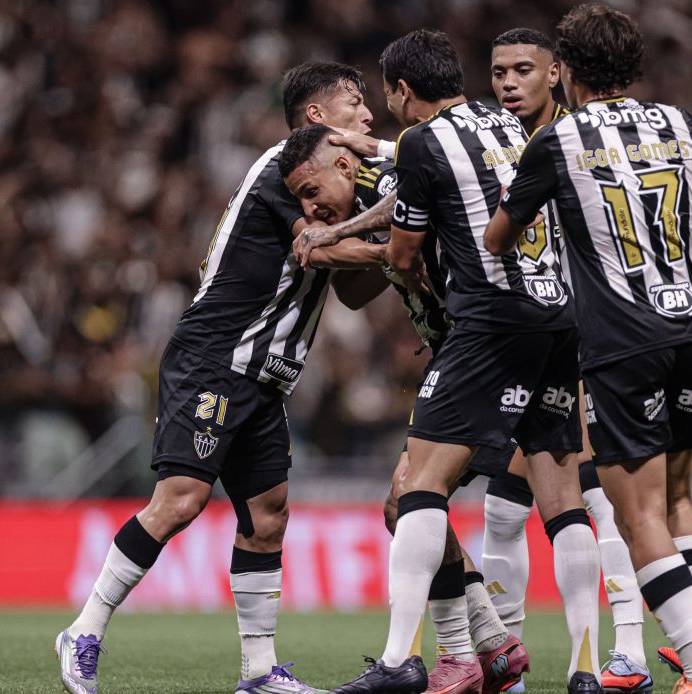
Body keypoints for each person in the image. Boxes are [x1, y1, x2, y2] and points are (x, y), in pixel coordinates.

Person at [54, 62, 389, 694]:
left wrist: (395, 258)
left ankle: (259, 674)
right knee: (181, 500)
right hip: (216, 355)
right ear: (316, 117)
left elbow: (354, 292)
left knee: (268, 516)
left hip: (264, 375)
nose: (367, 115)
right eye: (353, 102)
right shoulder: (281, 170)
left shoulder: (351, 180)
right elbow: (319, 245)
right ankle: (84, 628)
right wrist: (404, 245)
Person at [484, 5, 692, 694]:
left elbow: (497, 237)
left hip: (621, 341)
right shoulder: (678, 123)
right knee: (676, 500)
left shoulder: (557, 143)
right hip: (691, 331)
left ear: (567, 70)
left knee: (633, 511)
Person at [331, 29, 603, 694]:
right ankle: (586, 668)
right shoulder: (511, 124)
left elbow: (401, 255)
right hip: (558, 319)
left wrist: (361, 249)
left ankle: (400, 661)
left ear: (401, 90)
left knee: (416, 489)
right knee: (564, 501)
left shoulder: (423, 142)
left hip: (488, 323)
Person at [281, 122, 531, 694]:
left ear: (343, 167)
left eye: (312, 191)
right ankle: (492, 646)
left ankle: (474, 654)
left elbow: (390, 218)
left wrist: (357, 239)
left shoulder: (392, 172)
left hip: (484, 344)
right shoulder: (360, 198)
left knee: (415, 497)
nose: (310, 208)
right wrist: (381, 251)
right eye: (300, 199)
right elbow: (347, 282)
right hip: (465, 346)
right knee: (410, 506)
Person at [481, 27, 651, 694]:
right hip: (516, 336)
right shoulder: (492, 137)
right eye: (498, 73)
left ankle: (626, 649)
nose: (508, 84)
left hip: (588, 335)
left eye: (523, 70)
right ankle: (511, 661)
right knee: (506, 500)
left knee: (594, 486)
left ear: (557, 75)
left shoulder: (586, 137)